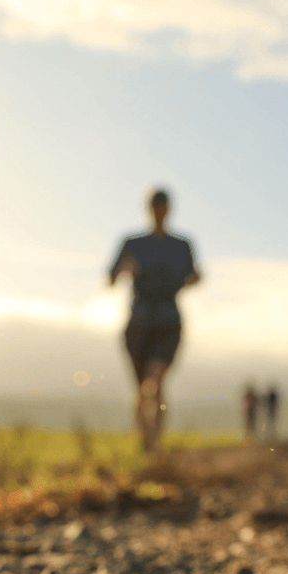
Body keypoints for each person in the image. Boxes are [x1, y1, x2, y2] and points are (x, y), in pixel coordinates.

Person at [108, 188, 201, 452]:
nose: (159, 212)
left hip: (168, 322)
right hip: (138, 323)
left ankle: (154, 444)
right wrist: (124, 270)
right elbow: (111, 277)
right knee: (142, 388)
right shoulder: (132, 243)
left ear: (168, 209)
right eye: (155, 206)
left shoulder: (182, 245)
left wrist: (191, 280)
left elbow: (194, 276)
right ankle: (145, 442)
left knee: (156, 380)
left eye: (162, 207)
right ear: (148, 209)